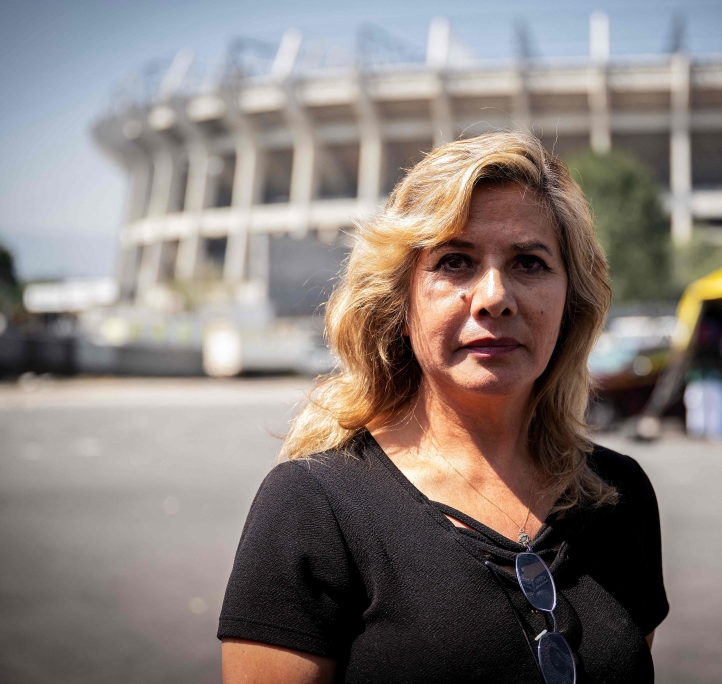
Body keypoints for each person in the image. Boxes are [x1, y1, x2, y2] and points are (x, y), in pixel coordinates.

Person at [218, 131, 669, 683]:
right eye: (455, 261)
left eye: (529, 263)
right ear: (399, 301)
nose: (495, 297)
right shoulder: (313, 506)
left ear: (570, 301)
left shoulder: (619, 496)